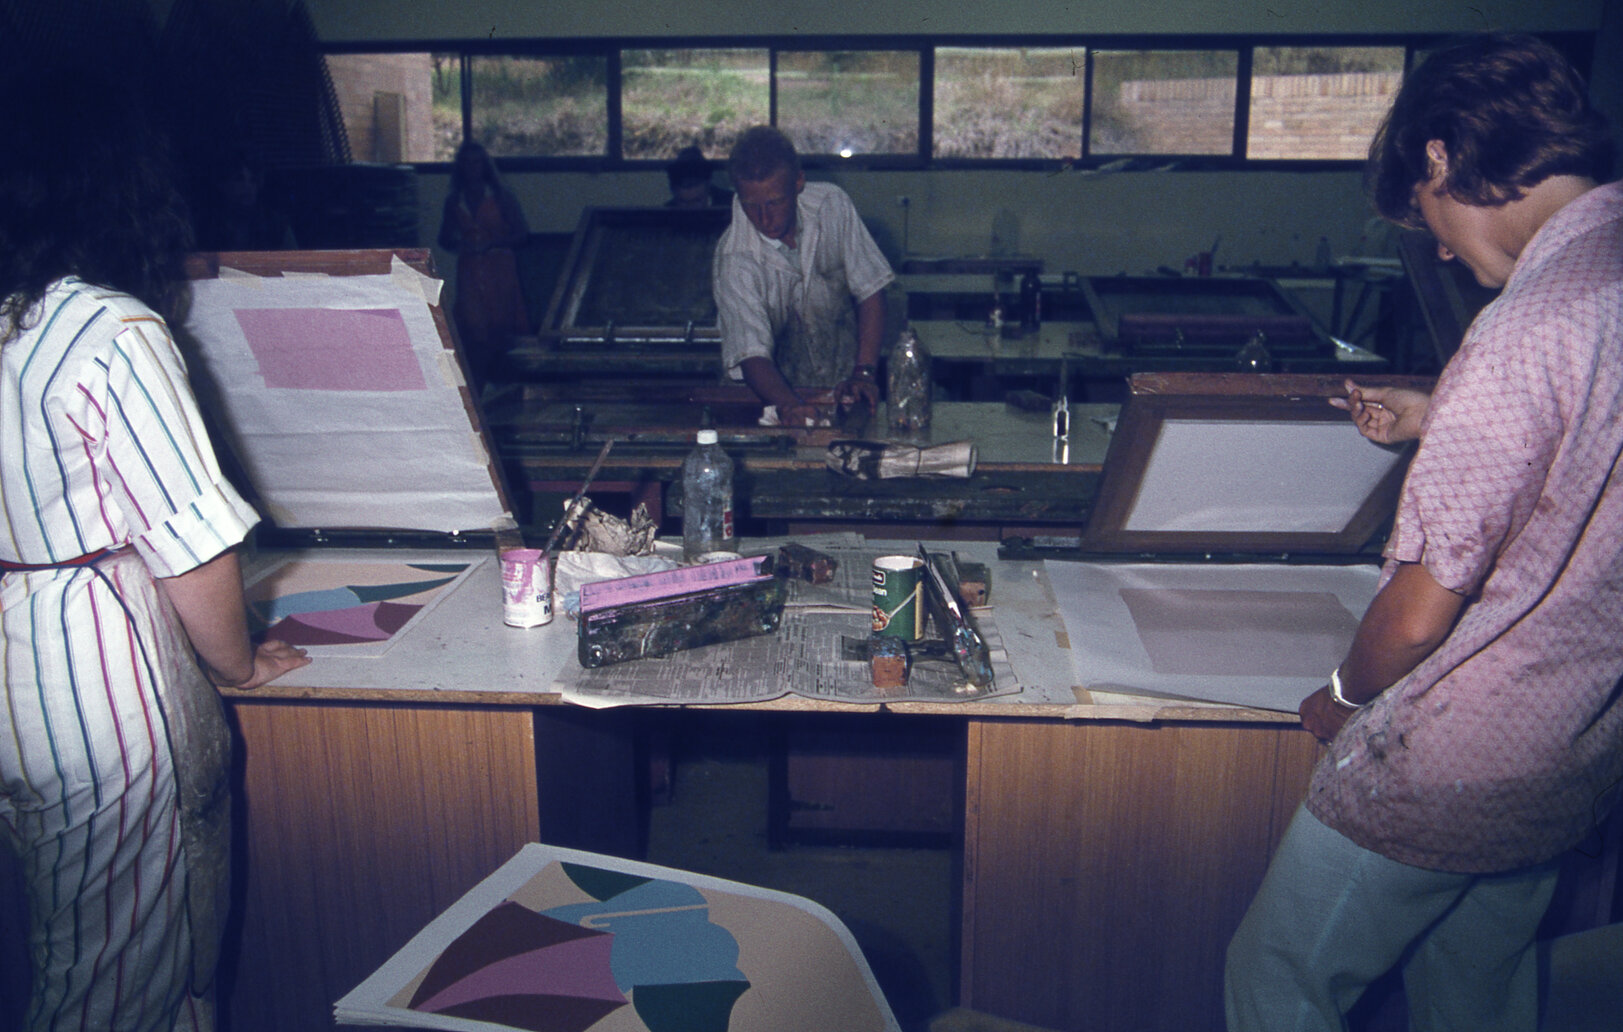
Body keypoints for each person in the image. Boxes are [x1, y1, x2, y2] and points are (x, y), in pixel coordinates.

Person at [1225, 33, 1623, 1031]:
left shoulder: (1521, 327)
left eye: (1425, 212)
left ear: (1441, 157)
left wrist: (1340, 697)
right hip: (1570, 749)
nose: (1441, 248)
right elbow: (1589, 442)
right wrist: (1439, 413)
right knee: (1477, 990)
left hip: (1451, 761)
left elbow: (1412, 619)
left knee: (1277, 981)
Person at [0, 67, 310, 1032]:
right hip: (94, 687)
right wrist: (238, 663)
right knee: (120, 983)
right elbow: (190, 544)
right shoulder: (105, 325)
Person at [712, 126, 894, 424]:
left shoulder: (831, 205)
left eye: (775, 202)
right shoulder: (734, 258)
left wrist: (863, 373)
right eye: (751, 206)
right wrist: (790, 406)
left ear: (798, 182)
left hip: (842, 387)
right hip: (763, 399)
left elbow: (871, 289)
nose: (765, 218)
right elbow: (751, 353)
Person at [437, 140, 532, 390]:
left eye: (477, 163)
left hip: (499, 269)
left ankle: (504, 386)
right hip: (470, 271)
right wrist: (462, 244)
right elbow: (444, 238)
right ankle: (477, 387)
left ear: (485, 166)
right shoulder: (454, 201)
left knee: (501, 327)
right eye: (467, 163)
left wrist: (492, 243)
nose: (472, 168)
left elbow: (521, 234)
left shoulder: (501, 197)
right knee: (472, 329)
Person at [664, 145, 733, 209]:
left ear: (707, 186)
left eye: (696, 201)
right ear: (674, 191)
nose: (691, 208)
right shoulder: (666, 214)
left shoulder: (732, 204)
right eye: (684, 202)